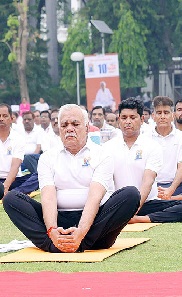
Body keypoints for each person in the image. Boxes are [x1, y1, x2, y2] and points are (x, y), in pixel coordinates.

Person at [3, 104, 140, 253]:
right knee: (11, 198)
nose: (69, 129)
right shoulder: (48, 157)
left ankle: (80, 243)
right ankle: (53, 243)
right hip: (58, 219)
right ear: (59, 129)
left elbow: (94, 197)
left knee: (131, 194)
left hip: (95, 222)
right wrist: (52, 230)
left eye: (75, 124)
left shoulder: (102, 155)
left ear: (87, 127)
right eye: (64, 125)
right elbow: (48, 197)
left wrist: (81, 231)